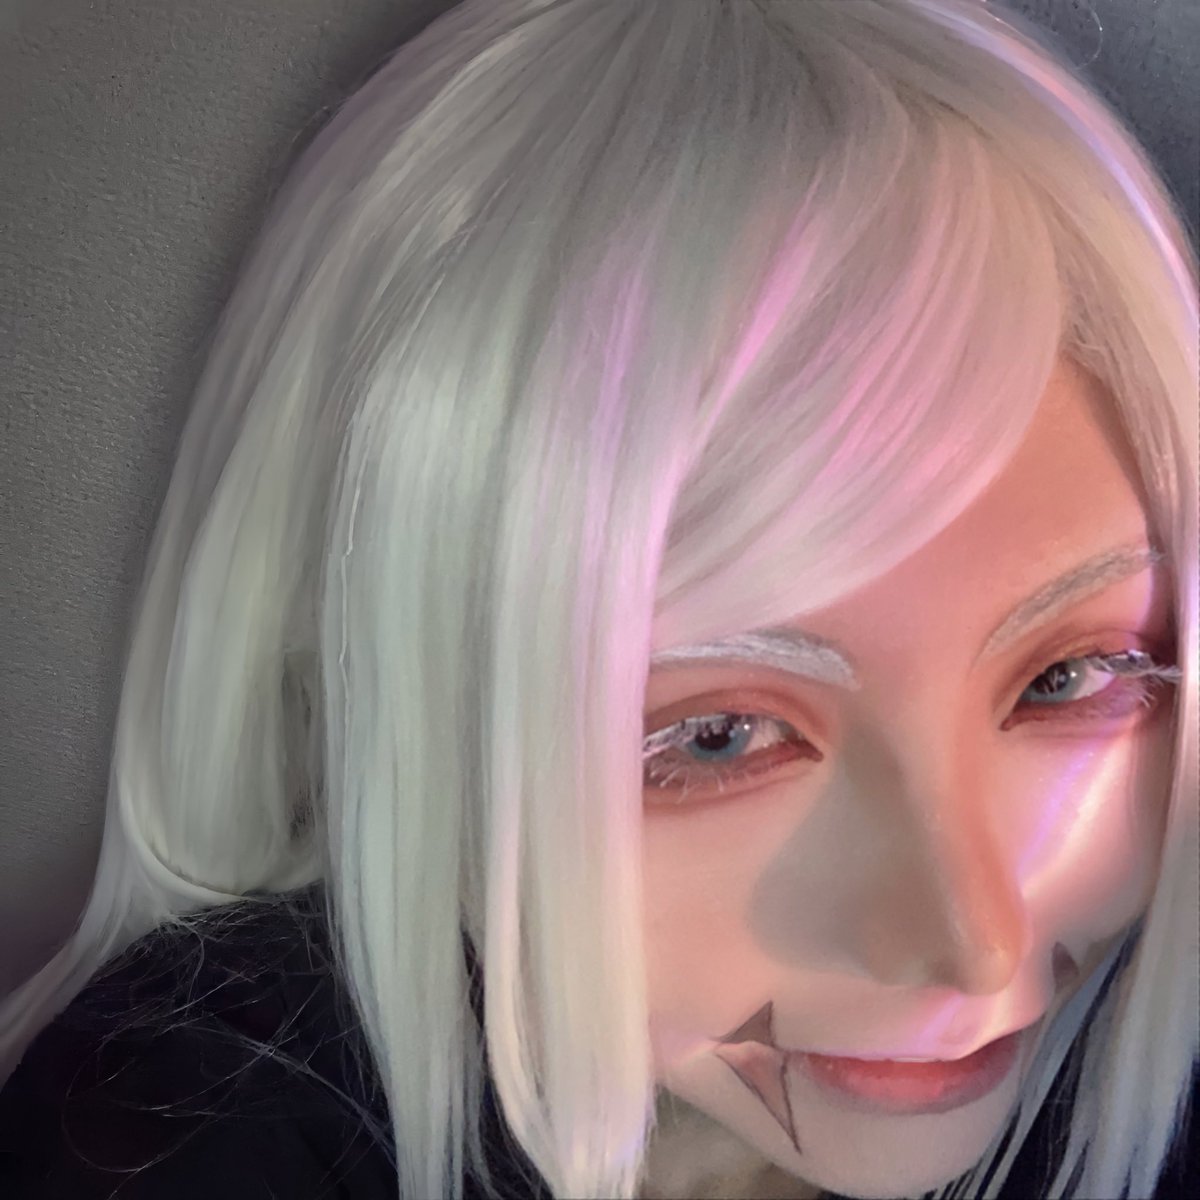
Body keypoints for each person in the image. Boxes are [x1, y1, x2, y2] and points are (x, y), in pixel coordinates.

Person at [0, 1, 1196, 1197]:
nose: (973, 943)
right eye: (717, 735)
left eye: (1074, 676)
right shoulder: (193, 1128)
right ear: (413, 699)